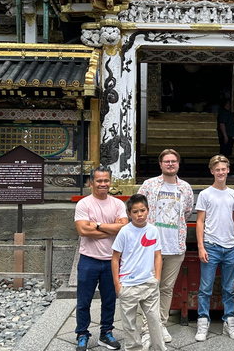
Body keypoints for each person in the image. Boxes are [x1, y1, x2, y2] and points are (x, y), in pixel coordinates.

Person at [137, 149, 194, 345]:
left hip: (175, 246)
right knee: (150, 287)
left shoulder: (185, 188)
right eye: (166, 161)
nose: (170, 164)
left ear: (178, 164)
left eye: (173, 161)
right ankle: (146, 328)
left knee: (167, 288)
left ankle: (160, 324)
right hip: (152, 247)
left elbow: (186, 212)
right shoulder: (149, 185)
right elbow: (138, 209)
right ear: (160, 164)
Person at [74, 166, 128, 351]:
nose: (103, 184)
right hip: (89, 259)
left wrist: (96, 225)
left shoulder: (118, 204)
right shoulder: (84, 204)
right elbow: (82, 230)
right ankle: (82, 333)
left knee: (109, 299)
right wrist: (110, 229)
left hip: (111, 260)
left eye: (106, 180)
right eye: (99, 181)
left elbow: (123, 228)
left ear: (110, 182)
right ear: (91, 183)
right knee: (83, 300)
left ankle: (106, 332)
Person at [195, 155, 234, 342]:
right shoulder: (206, 194)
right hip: (211, 246)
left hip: (230, 246)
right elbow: (200, 221)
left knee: (229, 288)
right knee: (205, 288)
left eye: (223, 169)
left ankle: (229, 320)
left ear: (228, 170)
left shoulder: (233, 194)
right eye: (217, 169)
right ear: (212, 171)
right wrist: (201, 246)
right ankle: (202, 321)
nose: (221, 172)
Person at [112, 194, 165, 351]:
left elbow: (157, 255)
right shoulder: (124, 232)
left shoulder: (153, 230)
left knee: (155, 320)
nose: (139, 214)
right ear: (129, 214)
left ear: (148, 210)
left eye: (142, 210)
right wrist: (117, 285)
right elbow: (115, 258)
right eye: (135, 212)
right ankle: (134, 348)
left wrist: (157, 278)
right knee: (130, 324)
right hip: (128, 284)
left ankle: (159, 347)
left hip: (149, 282)